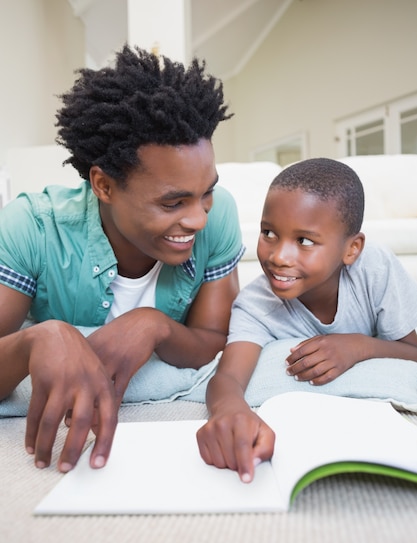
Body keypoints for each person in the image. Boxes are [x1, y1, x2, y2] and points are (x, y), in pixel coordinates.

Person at [0, 45, 244, 472]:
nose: (198, 218)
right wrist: (36, 340)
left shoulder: (219, 213)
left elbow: (211, 338)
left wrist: (153, 325)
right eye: (173, 203)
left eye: (205, 191)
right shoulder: (31, 227)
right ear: (104, 185)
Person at [197, 157, 417, 483]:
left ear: (351, 249)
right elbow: (227, 378)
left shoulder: (375, 269)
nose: (278, 257)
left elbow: (412, 350)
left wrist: (358, 346)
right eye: (268, 232)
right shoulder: (255, 305)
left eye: (304, 241)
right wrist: (230, 409)